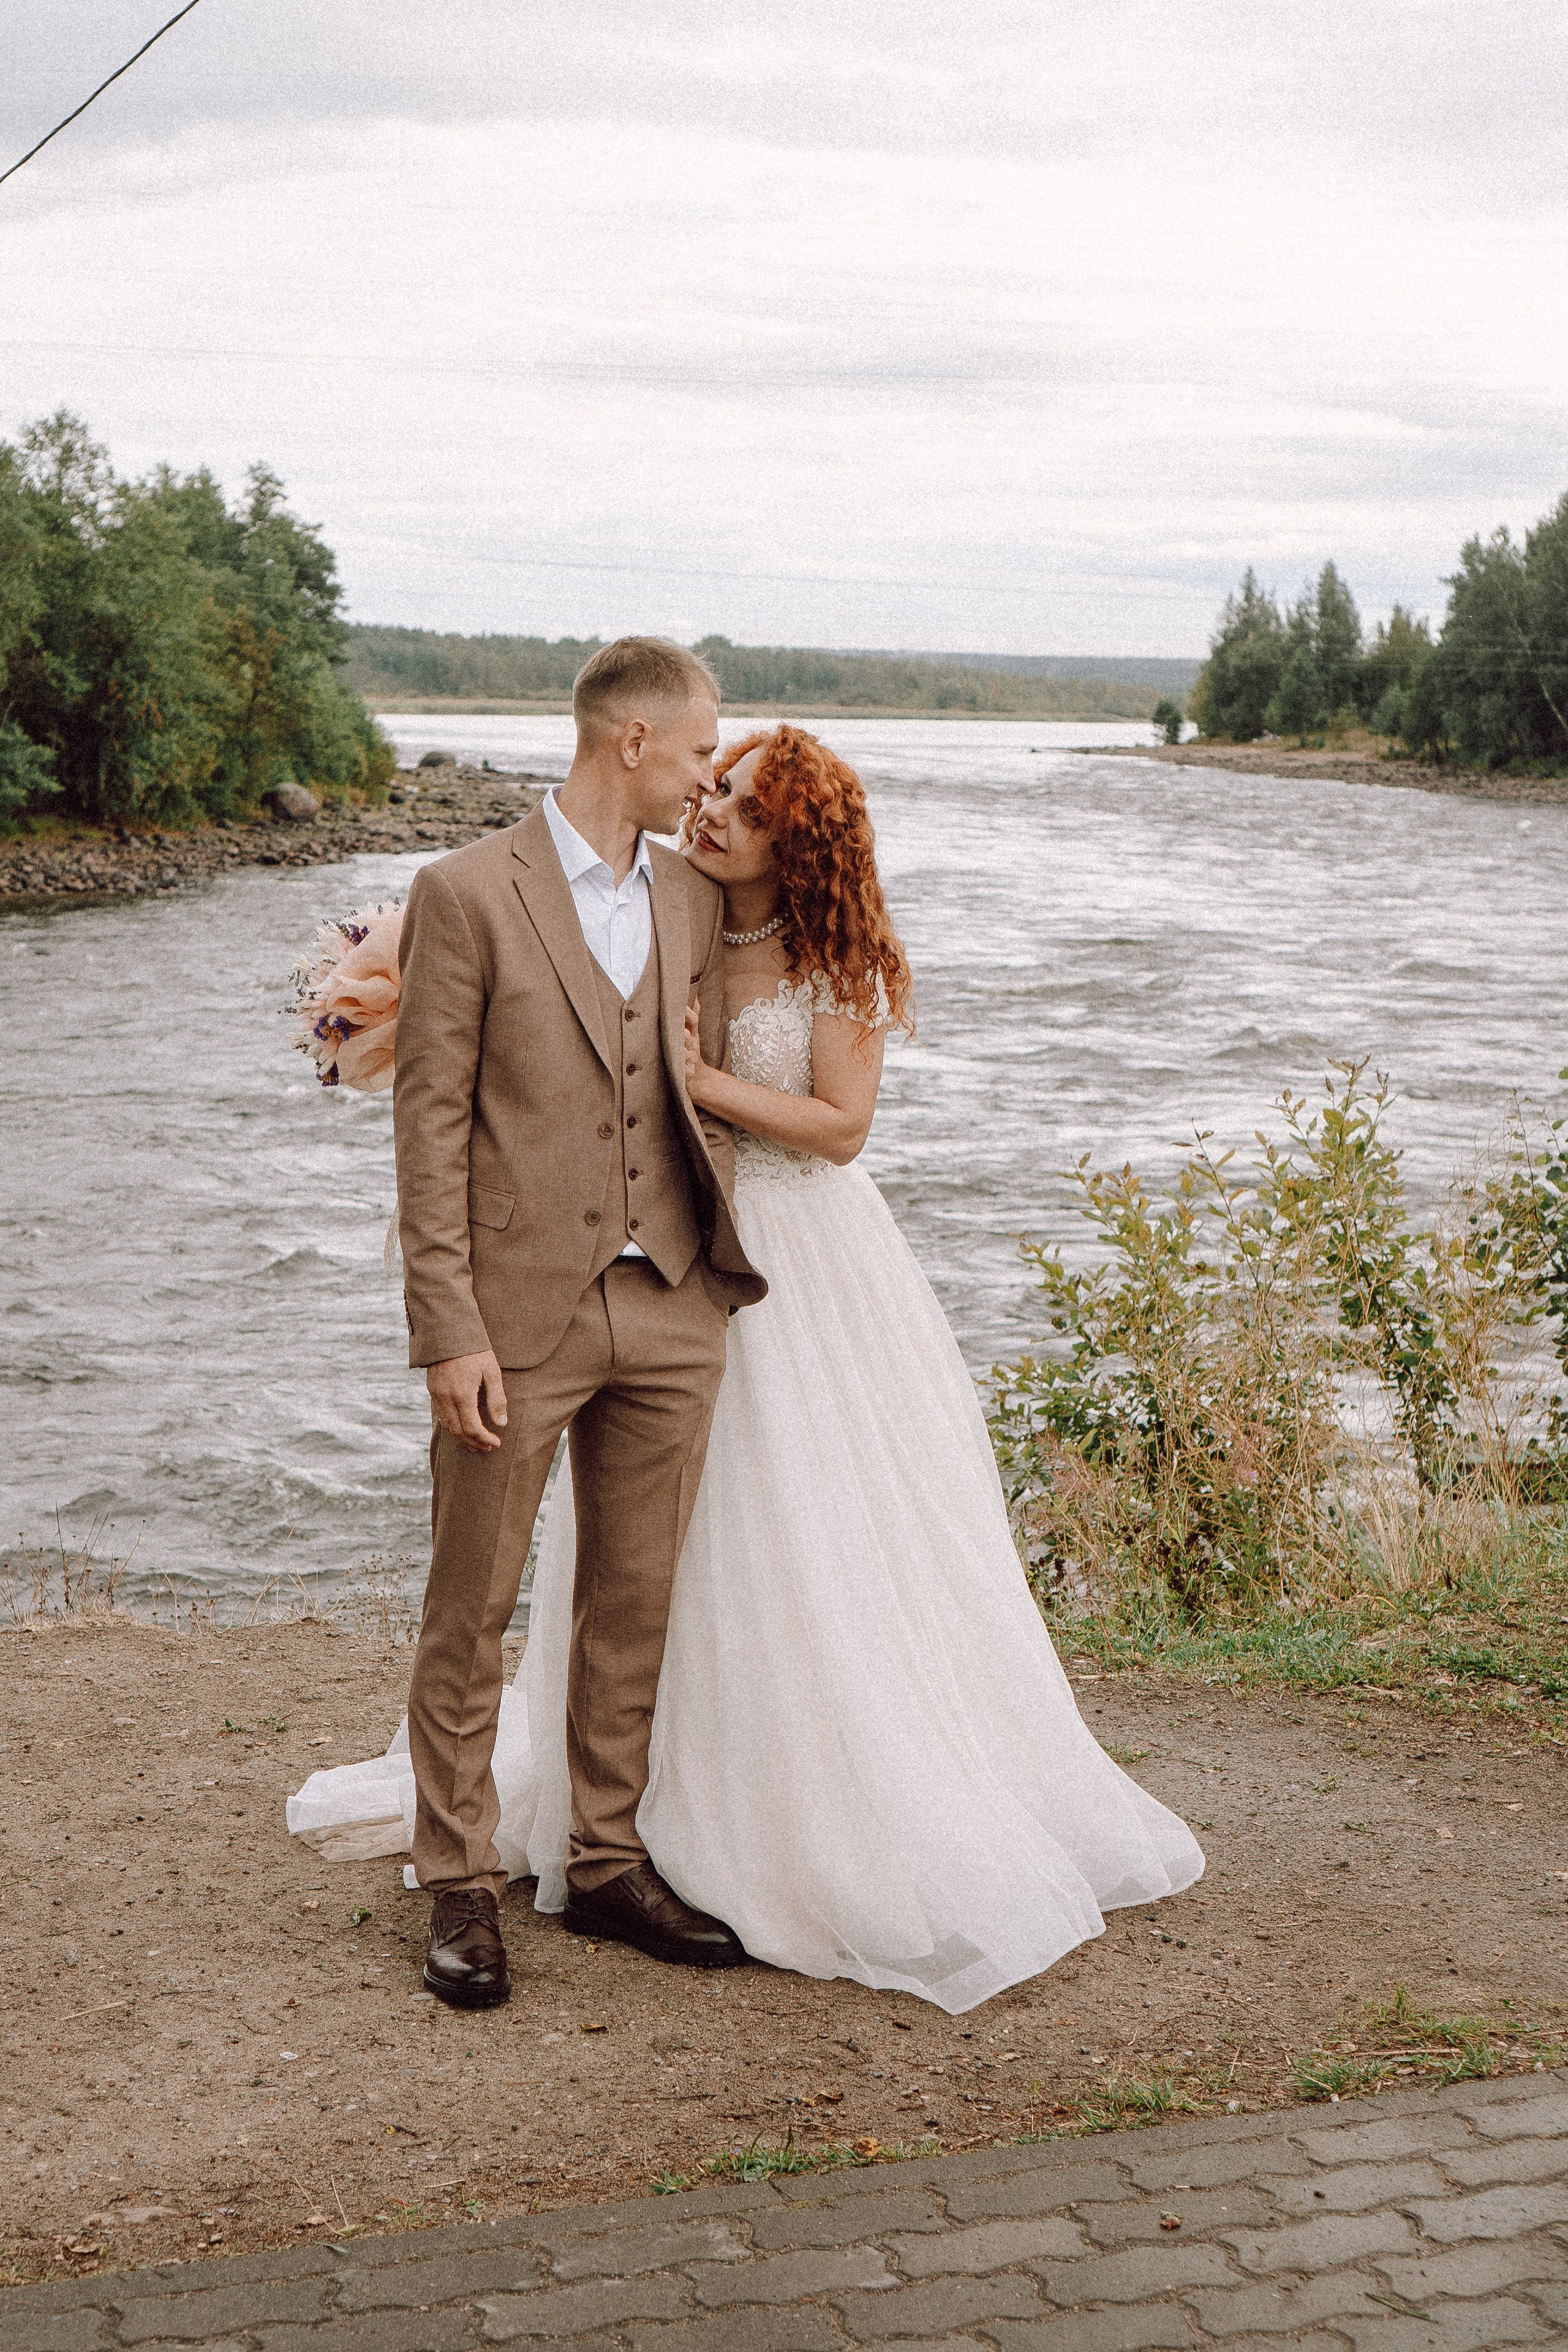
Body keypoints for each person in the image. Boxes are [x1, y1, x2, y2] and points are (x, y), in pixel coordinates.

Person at [290, 723, 1204, 2016]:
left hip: (798, 1263)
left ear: (799, 843)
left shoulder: (835, 960)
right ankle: (584, 1838)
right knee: (621, 1563)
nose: (707, 812)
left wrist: (702, 1080)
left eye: (740, 806)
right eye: (708, 786)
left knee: (786, 1540)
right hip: (639, 1257)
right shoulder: (659, 901)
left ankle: (771, 1815)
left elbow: (838, 1127)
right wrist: (390, 996)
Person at [375, 636, 766, 2010]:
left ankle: (604, 1861)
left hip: (670, 1303)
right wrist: (446, 1327)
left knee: (634, 1599)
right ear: (632, 744)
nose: (709, 778)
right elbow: (427, 1130)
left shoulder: (689, 899)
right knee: (468, 1607)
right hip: (513, 1318)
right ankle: (461, 1883)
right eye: (700, 751)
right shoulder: (466, 892)